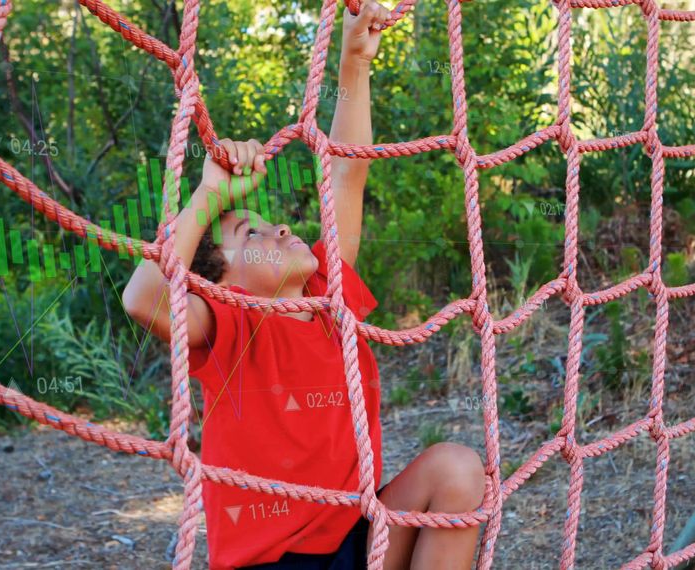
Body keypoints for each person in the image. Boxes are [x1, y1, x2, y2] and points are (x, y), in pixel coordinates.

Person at [122, 1, 485, 568]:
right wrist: (208, 198)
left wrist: (353, 66)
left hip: (354, 540)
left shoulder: (330, 300)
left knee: (458, 471)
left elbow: (347, 169)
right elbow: (141, 299)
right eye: (252, 232)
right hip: (270, 560)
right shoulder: (229, 326)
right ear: (225, 285)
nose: (283, 227)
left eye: (272, 222)